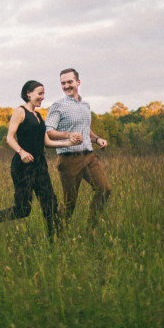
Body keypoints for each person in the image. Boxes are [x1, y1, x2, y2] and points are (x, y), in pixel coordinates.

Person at [0, 80, 80, 243]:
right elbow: (9, 138)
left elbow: (47, 142)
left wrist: (69, 142)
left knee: (50, 206)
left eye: (43, 94)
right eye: (39, 93)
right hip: (23, 167)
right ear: (28, 93)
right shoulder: (20, 112)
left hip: (40, 165)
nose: (42, 97)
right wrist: (21, 152)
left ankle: (52, 245)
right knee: (23, 209)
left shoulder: (39, 116)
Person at [45, 68, 111, 230]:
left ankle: (91, 229)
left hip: (89, 156)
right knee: (69, 204)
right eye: (63, 83)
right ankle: (57, 236)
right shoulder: (58, 106)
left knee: (104, 190)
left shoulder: (85, 105)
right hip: (69, 159)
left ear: (78, 82)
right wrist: (68, 135)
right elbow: (50, 132)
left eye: (69, 82)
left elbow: (85, 128)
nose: (66, 85)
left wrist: (97, 139)